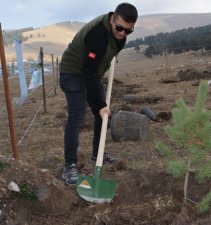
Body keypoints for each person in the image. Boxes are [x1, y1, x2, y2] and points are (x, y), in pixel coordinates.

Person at [59, 3, 138, 185]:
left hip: (91, 73)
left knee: (102, 115)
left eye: (128, 31)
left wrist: (100, 106)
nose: (122, 34)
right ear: (113, 18)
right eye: (119, 28)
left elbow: (96, 67)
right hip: (72, 72)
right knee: (77, 116)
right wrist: (100, 104)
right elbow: (88, 71)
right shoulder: (97, 34)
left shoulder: (121, 36)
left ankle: (97, 153)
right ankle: (70, 165)